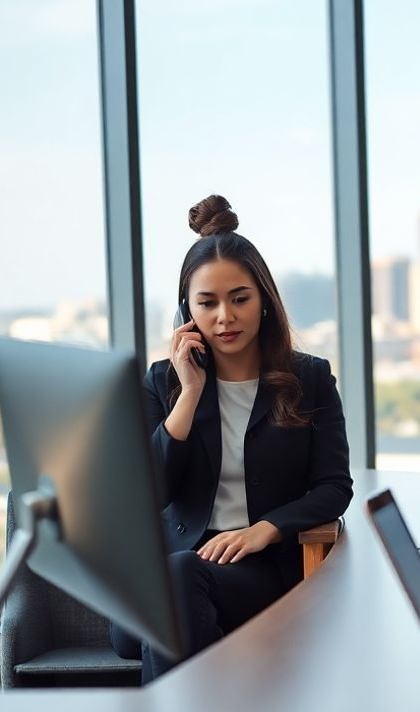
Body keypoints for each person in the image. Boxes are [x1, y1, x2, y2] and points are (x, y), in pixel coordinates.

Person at [111, 195, 353, 683]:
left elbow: (333, 487)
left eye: (239, 298)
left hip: (261, 566)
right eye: (207, 303)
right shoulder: (162, 383)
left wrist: (265, 528)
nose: (225, 316)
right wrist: (189, 396)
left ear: (264, 300)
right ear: (187, 311)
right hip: (172, 566)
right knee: (175, 587)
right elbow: (147, 494)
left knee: (178, 591)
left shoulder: (309, 378)